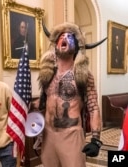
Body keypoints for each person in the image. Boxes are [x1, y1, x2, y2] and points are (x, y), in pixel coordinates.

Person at [38, 22, 105, 167]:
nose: (65, 38)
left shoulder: (83, 75)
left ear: (76, 47)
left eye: (70, 37)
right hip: (48, 135)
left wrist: (95, 140)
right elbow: (44, 103)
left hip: (71, 135)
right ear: (56, 44)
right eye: (61, 36)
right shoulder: (47, 74)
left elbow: (93, 108)